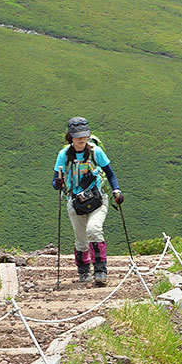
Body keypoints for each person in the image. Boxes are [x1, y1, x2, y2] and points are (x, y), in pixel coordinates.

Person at [53, 116, 123, 285]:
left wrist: (117, 190)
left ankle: (100, 271)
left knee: (94, 229)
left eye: (84, 136)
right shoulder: (64, 155)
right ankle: (83, 271)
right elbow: (55, 183)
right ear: (71, 137)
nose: (82, 139)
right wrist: (59, 182)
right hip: (75, 201)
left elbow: (110, 173)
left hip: (98, 198)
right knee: (81, 240)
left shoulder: (95, 151)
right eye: (78, 137)